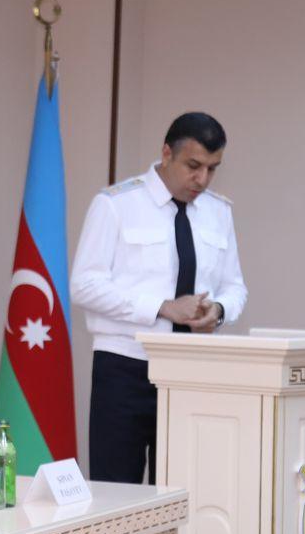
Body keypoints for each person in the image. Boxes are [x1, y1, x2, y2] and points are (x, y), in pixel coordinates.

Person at [72, 112, 247, 484]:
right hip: (125, 367)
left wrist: (218, 310)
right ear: (167, 154)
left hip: (191, 370)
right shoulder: (116, 204)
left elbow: (236, 288)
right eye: (193, 166)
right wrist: (163, 308)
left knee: (183, 490)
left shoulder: (218, 212)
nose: (202, 179)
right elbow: (84, 284)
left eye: (212, 169)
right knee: (116, 491)